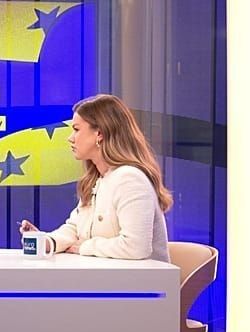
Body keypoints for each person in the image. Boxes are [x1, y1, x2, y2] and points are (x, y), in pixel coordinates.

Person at [19, 94, 172, 262]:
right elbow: (75, 228)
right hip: (105, 275)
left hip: (139, 278)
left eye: (76, 129)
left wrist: (85, 247)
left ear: (99, 134)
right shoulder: (98, 179)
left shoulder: (130, 179)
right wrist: (45, 242)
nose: (70, 138)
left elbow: (136, 247)